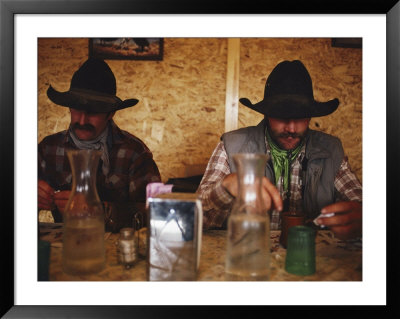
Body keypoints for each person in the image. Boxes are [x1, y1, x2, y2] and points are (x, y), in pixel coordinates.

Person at [197, 60, 362, 240]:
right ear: (266, 113)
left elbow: (359, 201)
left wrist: (364, 217)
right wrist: (226, 187)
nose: (291, 128)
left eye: (300, 117)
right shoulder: (231, 146)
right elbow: (196, 218)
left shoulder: (331, 150)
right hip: (248, 256)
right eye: (282, 116)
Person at [38, 57, 161, 232]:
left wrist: (99, 211)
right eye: (76, 109)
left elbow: (155, 212)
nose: (82, 120)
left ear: (111, 114)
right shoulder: (47, 148)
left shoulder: (134, 152)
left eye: (93, 112)